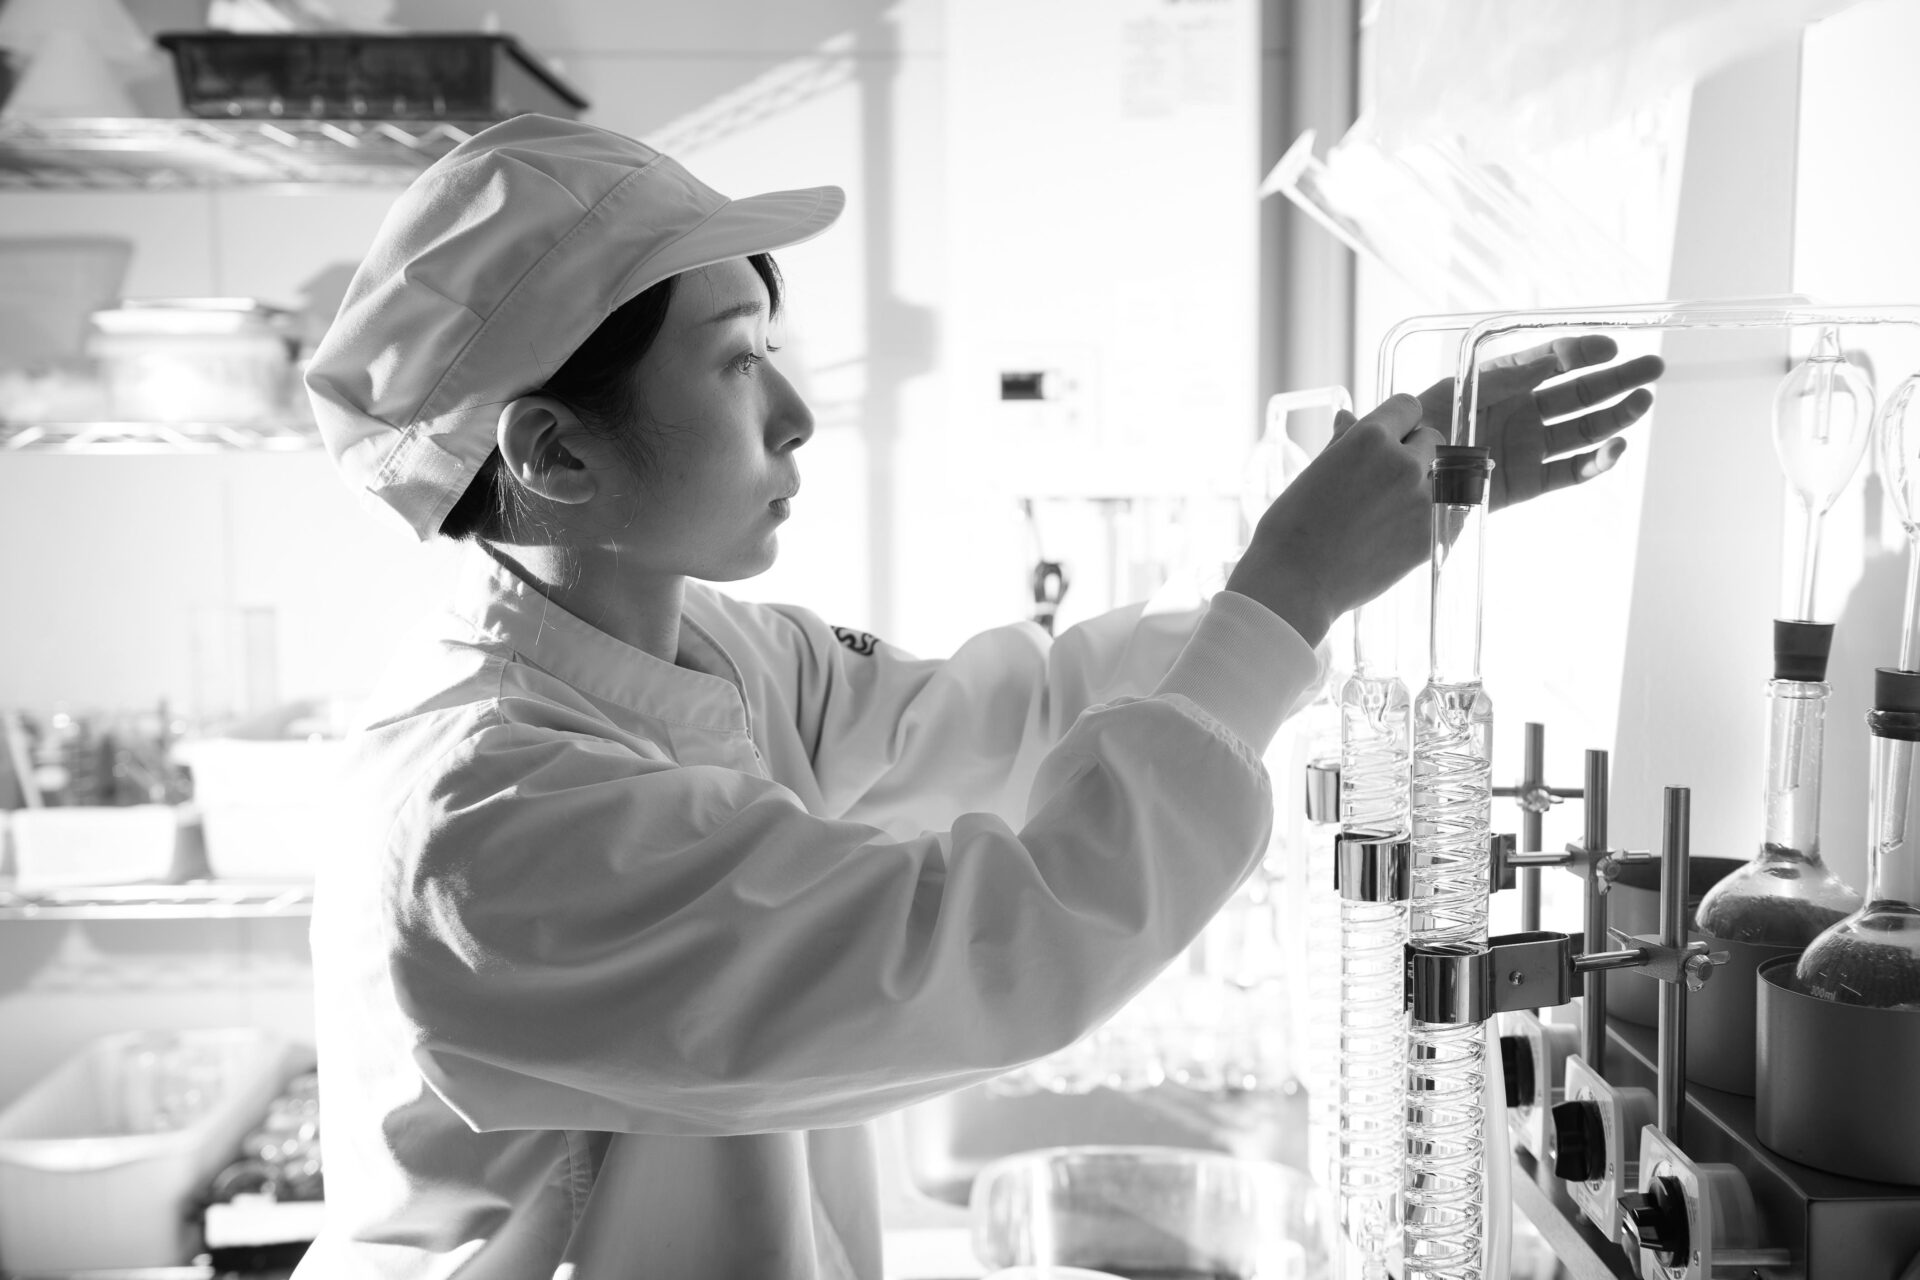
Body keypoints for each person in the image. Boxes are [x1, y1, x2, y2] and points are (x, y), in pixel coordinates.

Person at [297, 114, 1662, 1278]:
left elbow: (1013, 721)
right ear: (553, 452)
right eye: (732, 362)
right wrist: (1288, 593)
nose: (795, 415)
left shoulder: (711, 655)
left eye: (772, 349)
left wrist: (1324, 557)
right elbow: (978, 954)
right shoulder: (486, 822)